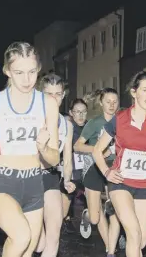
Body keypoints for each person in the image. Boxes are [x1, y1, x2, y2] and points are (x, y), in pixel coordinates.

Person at [92, 71, 146, 257]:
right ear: (134, 92)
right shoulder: (120, 119)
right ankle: (112, 201)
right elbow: (97, 151)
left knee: (142, 240)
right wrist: (107, 172)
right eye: (145, 90)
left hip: (145, 186)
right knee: (134, 232)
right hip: (120, 182)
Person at [0, 42, 60, 256]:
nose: (26, 79)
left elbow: (54, 159)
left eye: (32, 72)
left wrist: (43, 147)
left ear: (39, 69)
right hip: (2, 183)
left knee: (27, 248)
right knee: (21, 236)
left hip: (33, 184)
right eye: (19, 72)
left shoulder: (47, 103)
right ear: (7, 71)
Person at [74, 88, 121, 256]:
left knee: (114, 207)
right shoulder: (94, 123)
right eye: (108, 101)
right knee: (95, 217)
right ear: (101, 103)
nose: (111, 105)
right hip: (95, 166)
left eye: (115, 101)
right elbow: (77, 145)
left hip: (115, 168)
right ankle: (88, 216)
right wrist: (98, 149)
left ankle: (110, 249)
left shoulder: (122, 121)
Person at [35, 74, 75, 256]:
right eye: (48, 94)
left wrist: (67, 180)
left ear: (63, 95)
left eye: (57, 94)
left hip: (51, 177)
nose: (53, 98)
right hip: (28, 177)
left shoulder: (67, 124)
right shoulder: (33, 118)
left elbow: (67, 158)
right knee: (38, 243)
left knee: (54, 231)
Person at [61, 99, 89, 233]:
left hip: (89, 170)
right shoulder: (67, 128)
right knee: (66, 201)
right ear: (71, 113)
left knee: (91, 200)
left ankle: (88, 216)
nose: (81, 115)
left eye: (83, 112)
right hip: (71, 171)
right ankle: (63, 220)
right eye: (77, 112)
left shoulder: (91, 127)